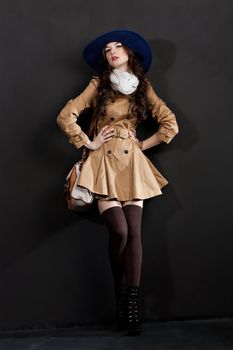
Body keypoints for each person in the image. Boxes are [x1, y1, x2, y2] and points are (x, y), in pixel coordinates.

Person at [57, 29, 179, 335]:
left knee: (135, 233)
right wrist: (88, 141)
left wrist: (142, 145)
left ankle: (131, 304)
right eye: (108, 49)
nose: (112, 51)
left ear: (129, 53)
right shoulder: (98, 84)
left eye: (118, 46)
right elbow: (66, 116)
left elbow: (169, 124)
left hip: (132, 163)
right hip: (102, 163)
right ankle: (119, 292)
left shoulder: (143, 87)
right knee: (120, 231)